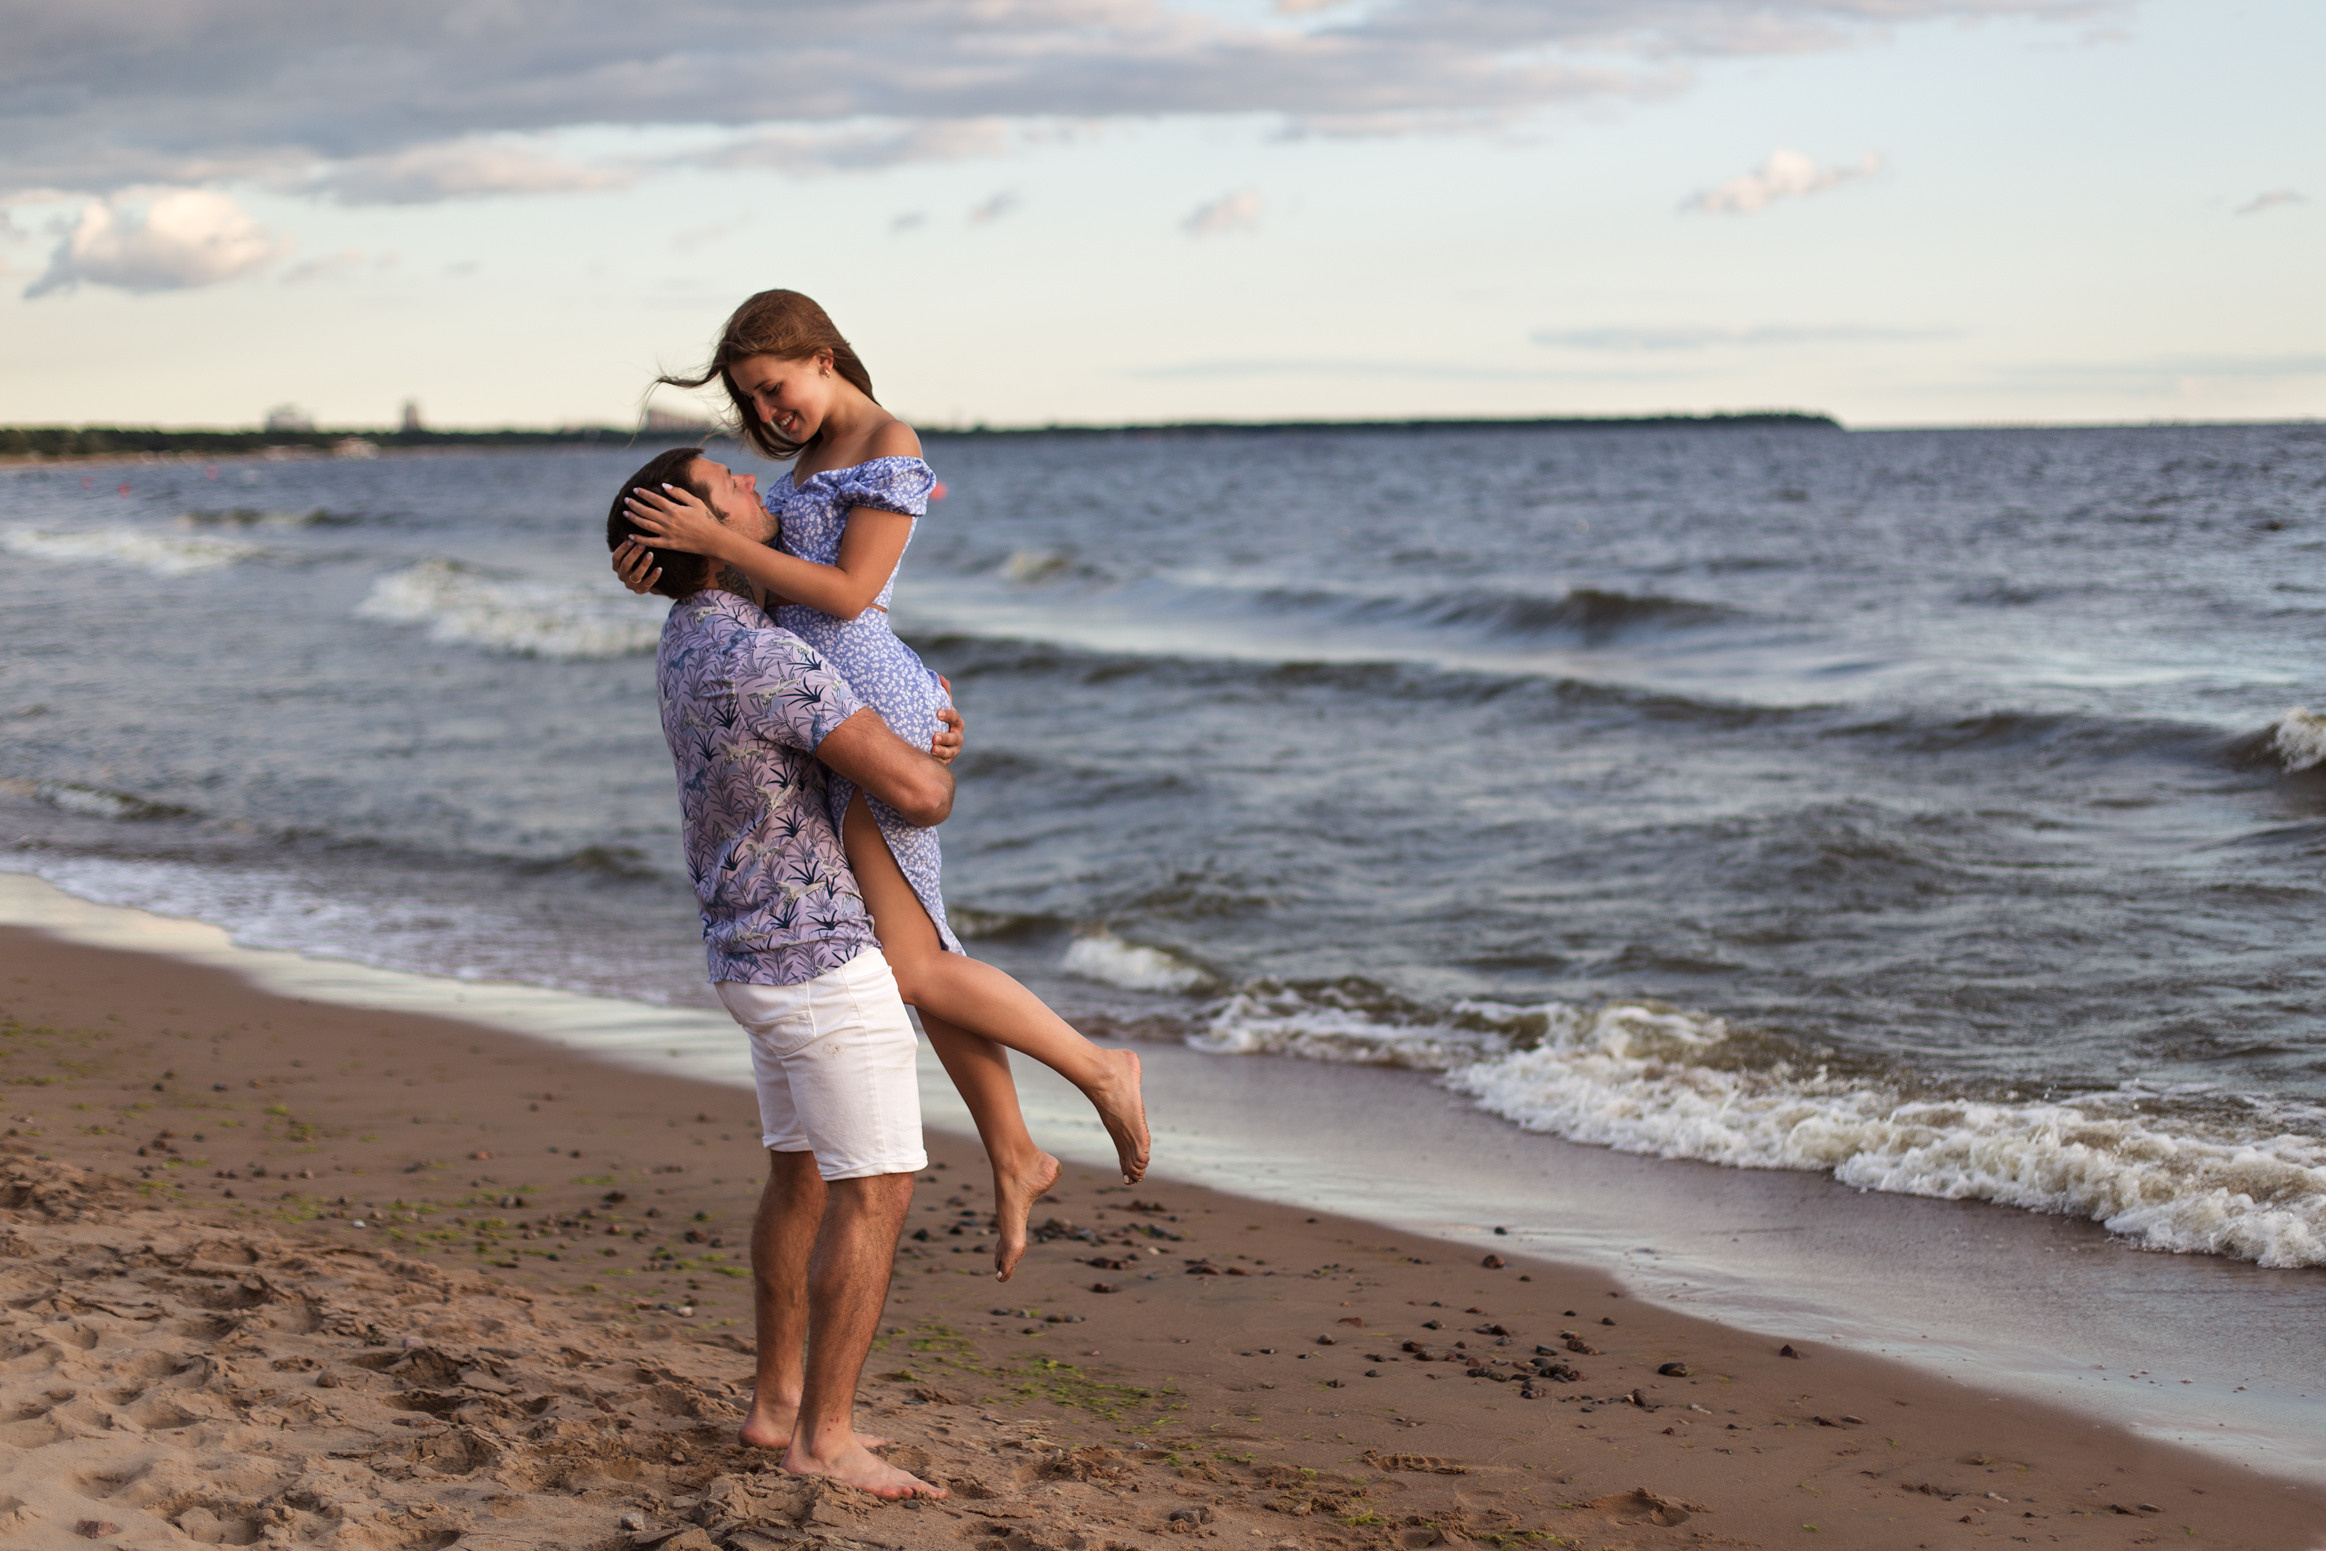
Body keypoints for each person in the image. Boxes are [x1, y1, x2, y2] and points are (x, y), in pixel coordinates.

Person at [614, 290, 1147, 1280]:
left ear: (821, 356)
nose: (769, 418)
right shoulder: (808, 465)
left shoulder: (887, 442)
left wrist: (726, 543)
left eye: (774, 389)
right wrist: (658, 562)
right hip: (833, 708)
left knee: (912, 963)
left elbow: (854, 596)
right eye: (749, 405)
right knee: (922, 953)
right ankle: (1016, 1151)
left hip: (868, 704)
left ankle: (1097, 1069)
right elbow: (756, 586)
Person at [610, 446, 951, 1500]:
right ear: (695, 530)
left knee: (800, 1174)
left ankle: (773, 1407)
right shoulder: (764, 659)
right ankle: (824, 1437)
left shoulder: (684, 638)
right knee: (876, 1187)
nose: (760, 487)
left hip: (748, 956)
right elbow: (918, 796)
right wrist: (935, 736)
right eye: (733, 487)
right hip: (819, 959)